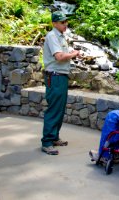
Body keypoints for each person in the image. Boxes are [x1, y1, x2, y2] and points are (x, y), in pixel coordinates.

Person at [41, 11, 80, 155]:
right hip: (55, 76)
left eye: (66, 21)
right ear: (54, 23)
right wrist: (73, 54)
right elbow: (59, 56)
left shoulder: (61, 36)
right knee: (54, 108)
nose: (65, 24)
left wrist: (71, 52)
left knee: (60, 108)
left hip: (61, 76)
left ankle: (54, 137)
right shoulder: (52, 36)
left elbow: (64, 53)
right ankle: (47, 142)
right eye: (62, 22)